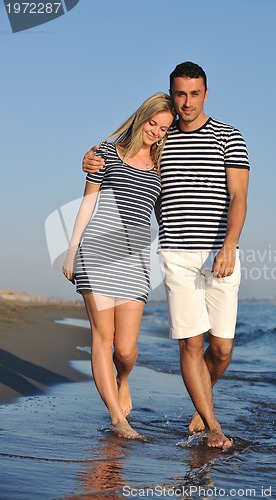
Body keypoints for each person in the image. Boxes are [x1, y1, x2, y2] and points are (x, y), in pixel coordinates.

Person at [82, 62, 250, 448]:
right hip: (176, 253)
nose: (186, 102)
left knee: (221, 350)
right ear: (171, 94)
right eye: (180, 94)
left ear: (206, 94)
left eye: (194, 93)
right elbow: (119, 153)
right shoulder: (161, 137)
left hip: (221, 253)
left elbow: (239, 196)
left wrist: (229, 243)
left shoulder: (230, 136)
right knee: (191, 343)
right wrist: (92, 160)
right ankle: (213, 426)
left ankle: (200, 402)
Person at [63, 93, 175, 440]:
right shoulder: (104, 154)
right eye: (152, 123)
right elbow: (87, 204)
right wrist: (71, 251)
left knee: (125, 349)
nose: (155, 132)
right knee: (102, 338)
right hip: (96, 252)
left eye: (163, 129)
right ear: (141, 117)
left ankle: (123, 380)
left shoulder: (162, 164)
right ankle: (118, 419)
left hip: (137, 260)